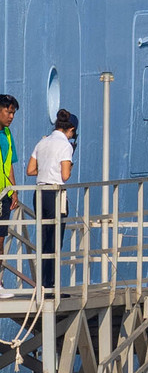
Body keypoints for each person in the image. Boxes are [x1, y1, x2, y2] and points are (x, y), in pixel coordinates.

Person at [27, 109, 75, 291]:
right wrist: (69, 163)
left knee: (44, 237)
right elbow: (65, 175)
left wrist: (46, 168)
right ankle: (50, 285)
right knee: (55, 241)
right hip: (55, 194)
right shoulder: (66, 146)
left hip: (39, 193)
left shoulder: (43, 142)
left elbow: (30, 170)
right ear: (70, 130)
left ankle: (42, 283)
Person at [0, 94, 17, 229]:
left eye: (13, 113)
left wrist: (14, 191)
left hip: (5, 193)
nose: (11, 117)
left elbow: (9, 164)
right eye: (8, 112)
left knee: (0, 240)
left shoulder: (7, 133)